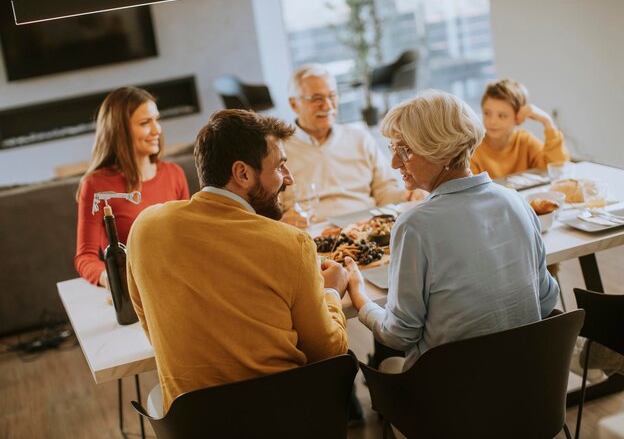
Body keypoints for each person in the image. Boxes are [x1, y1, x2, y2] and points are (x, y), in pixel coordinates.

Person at [126, 109, 350, 414]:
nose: (289, 178)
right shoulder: (291, 243)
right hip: (286, 422)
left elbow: (152, 328)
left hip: (196, 427)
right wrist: (331, 291)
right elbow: (328, 352)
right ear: (242, 173)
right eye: (280, 166)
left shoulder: (145, 228)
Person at [346, 89, 559, 374]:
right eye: (393, 149)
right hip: (528, 386)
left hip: (451, 401)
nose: (395, 163)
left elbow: (399, 335)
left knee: (386, 366)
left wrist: (360, 296)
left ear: (443, 152)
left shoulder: (415, 225)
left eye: (404, 150)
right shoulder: (517, 202)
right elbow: (545, 299)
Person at [281, 63, 422, 228]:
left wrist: (407, 195)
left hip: (366, 227)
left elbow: (384, 192)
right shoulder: (279, 150)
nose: (327, 106)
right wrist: (282, 221)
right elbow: (272, 210)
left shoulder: (360, 139)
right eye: (317, 99)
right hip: (311, 231)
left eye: (332, 96)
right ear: (294, 104)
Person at [75, 87, 189, 288]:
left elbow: (187, 239)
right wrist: (111, 281)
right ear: (119, 130)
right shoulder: (96, 185)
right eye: (145, 123)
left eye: (157, 120)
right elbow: (85, 257)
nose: (157, 130)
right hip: (137, 290)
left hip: (180, 282)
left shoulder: (174, 174)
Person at [470, 78, 570, 177]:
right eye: (487, 113)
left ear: (518, 118)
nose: (492, 121)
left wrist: (547, 121)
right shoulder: (473, 149)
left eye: (502, 116)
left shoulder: (524, 141)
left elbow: (559, 169)